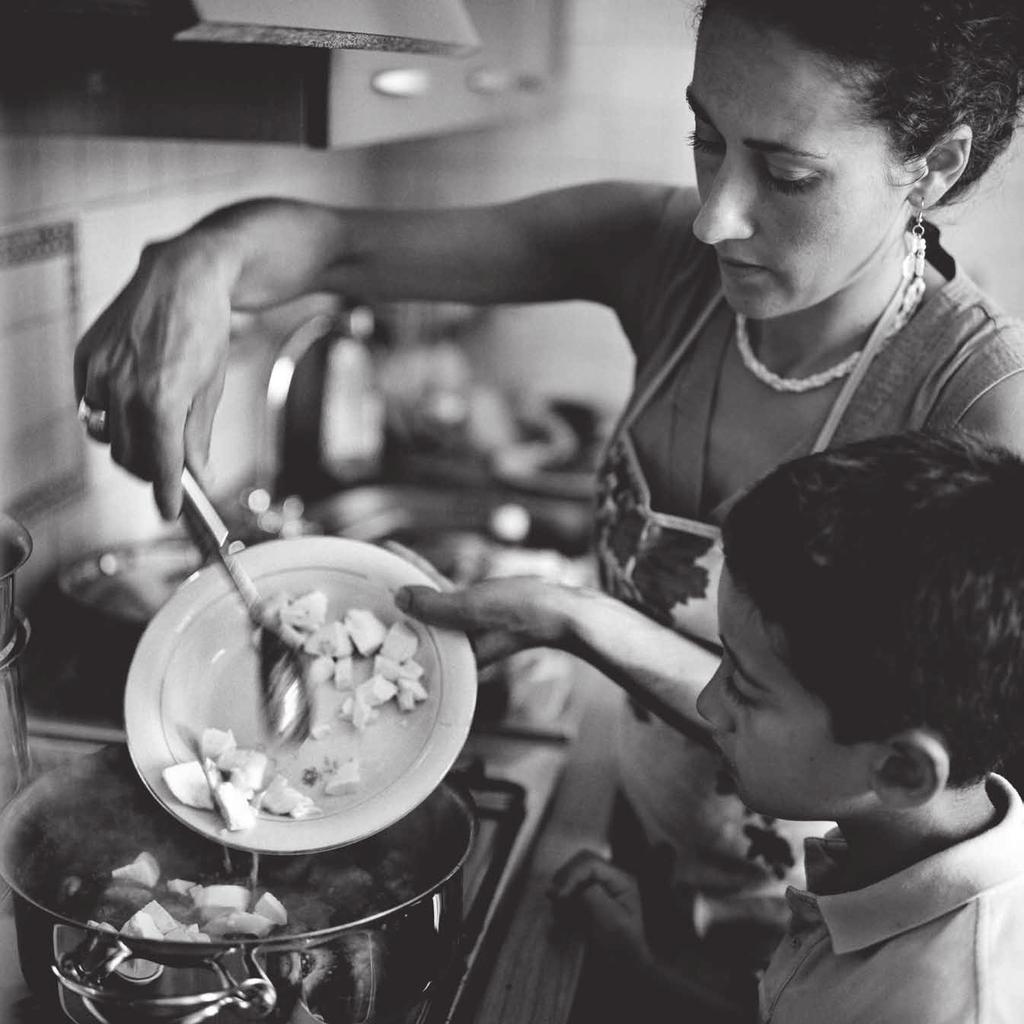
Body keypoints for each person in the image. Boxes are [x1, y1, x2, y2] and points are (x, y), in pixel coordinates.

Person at [74, 0, 1024, 974]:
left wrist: (573, 618)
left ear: (933, 164)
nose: (715, 213)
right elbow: (335, 245)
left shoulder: (980, 407)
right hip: (644, 844)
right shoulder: (668, 261)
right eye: (705, 137)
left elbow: (952, 777)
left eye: (786, 173)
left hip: (837, 947)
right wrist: (199, 260)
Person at [551, 430, 1024, 1022]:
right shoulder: (882, 852)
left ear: (902, 770)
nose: (706, 704)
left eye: (744, 689)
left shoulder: (950, 1002)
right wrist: (640, 969)